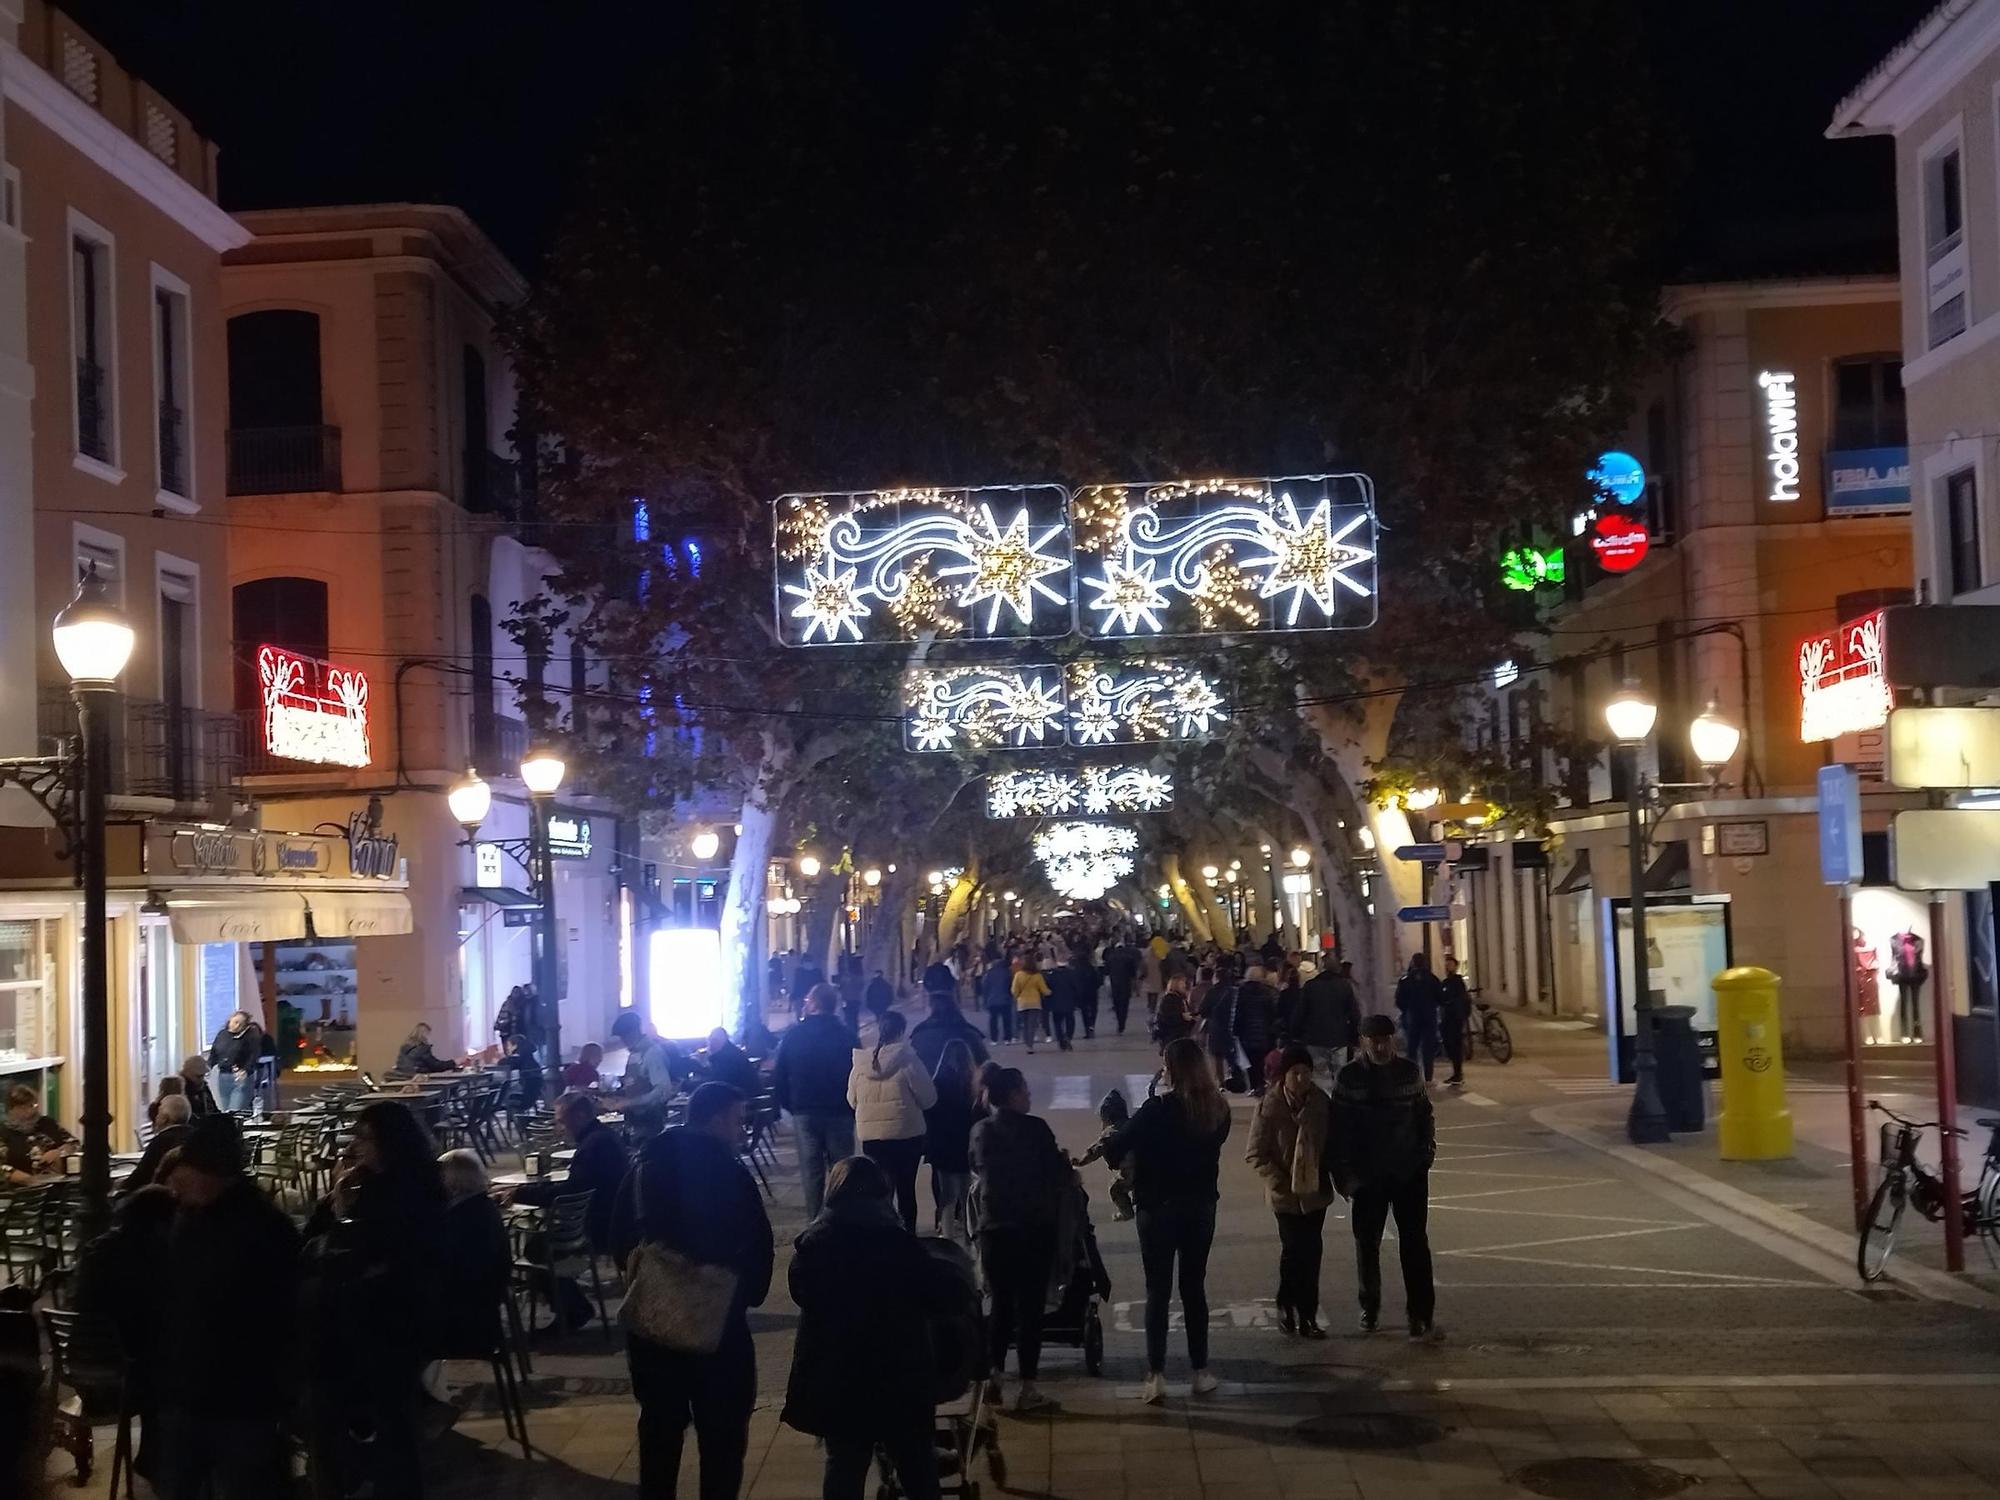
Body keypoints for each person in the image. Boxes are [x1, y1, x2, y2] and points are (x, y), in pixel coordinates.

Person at [612, 1083, 774, 1500]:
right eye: (738, 1120)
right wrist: (743, 1293)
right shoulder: (731, 1173)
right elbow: (757, 1245)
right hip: (718, 1325)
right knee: (722, 1437)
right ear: (717, 1117)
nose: (741, 1131)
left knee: (660, 1430)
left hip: (654, 1322)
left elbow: (614, 1233)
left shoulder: (644, 1164)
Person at [783, 1156, 972, 1500]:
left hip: (838, 1378)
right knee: (916, 1464)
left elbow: (800, 1293)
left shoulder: (813, 1246)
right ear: (883, 1197)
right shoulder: (897, 1246)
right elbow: (947, 1295)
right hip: (898, 1378)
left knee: (843, 1465)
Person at [303, 1101, 446, 1500]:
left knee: (392, 1417)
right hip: (365, 1315)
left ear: (389, 1140)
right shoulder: (366, 1184)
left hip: (394, 1317)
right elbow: (319, 1234)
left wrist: (349, 1219)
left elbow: (380, 1248)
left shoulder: (412, 1189)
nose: (356, 1146)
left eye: (365, 1137)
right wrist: (338, 1200)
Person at [157, 1119, 302, 1499]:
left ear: (210, 1173)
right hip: (193, 1387)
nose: (177, 1185)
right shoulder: (192, 1218)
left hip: (239, 1394)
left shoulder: (256, 1229)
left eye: (184, 1175)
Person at [1102, 1037, 1231, 1403]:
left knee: (1157, 1290)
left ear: (1171, 1068)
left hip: (1157, 1206)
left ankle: (1155, 1375)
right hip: (1201, 1205)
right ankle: (1200, 1371)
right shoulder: (1218, 1109)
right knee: (1194, 1288)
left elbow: (1115, 1148)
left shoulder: (1157, 1109)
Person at [967, 1068, 1070, 1412]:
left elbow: (976, 1168)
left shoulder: (981, 1130)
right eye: (1024, 1090)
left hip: (994, 1228)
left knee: (1000, 1305)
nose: (1029, 1096)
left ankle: (995, 1376)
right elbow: (1056, 1171)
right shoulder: (1036, 1128)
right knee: (1030, 1310)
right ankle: (1027, 1387)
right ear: (1012, 1094)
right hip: (1033, 1227)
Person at [1332, 1015, 1439, 1340]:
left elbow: (1424, 1115)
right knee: (1368, 1245)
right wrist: (1346, 1177)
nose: (1380, 1045)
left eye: (1385, 1039)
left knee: (1415, 1244)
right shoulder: (1350, 1077)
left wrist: (1425, 1155)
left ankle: (1420, 1313)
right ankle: (1370, 1306)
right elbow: (1339, 1130)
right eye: (1374, 1040)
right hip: (1368, 1176)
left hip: (1408, 1172)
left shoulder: (1408, 1072)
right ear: (1363, 1042)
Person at [72, 1184, 177, 1485]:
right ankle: (159, 1461)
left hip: (81, 1375)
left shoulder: (97, 1251)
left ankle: (154, 1458)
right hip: (120, 1384)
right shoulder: (155, 1257)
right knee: (169, 1372)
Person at [1245, 1045, 1334, 1338]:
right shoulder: (1268, 1107)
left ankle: (1308, 1315)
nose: (1301, 1079)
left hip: (1315, 1192)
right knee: (1294, 1250)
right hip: (1284, 1194)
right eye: (1295, 1073)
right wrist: (1278, 1181)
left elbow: (1334, 1145)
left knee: (1313, 1252)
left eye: (1306, 1073)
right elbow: (1256, 1153)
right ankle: (1286, 1306)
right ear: (1284, 1076)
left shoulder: (1321, 1103)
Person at [773, 982, 859, 1221]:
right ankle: (842, 1221)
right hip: (840, 1111)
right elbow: (858, 1073)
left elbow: (779, 1074)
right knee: (842, 1171)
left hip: (805, 1112)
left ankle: (815, 1223)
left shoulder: (794, 1035)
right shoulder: (847, 1036)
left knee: (812, 1173)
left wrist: (790, 1104)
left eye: (808, 1000)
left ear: (813, 1004)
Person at [848, 1011, 936, 1232]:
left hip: (872, 1138)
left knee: (882, 1190)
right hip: (906, 1135)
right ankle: (908, 1236)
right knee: (907, 1189)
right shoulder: (909, 1060)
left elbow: (851, 1100)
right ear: (901, 1031)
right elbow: (928, 1099)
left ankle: (885, 1235)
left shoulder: (861, 1064)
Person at [511, 1092, 629, 1252]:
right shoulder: (605, 1136)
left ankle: (558, 1277)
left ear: (579, 1116)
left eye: (561, 1122)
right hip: (617, 1219)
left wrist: (519, 1194)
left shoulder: (593, 1145)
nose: (558, 1129)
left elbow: (571, 1193)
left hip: (598, 1227)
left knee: (534, 1248)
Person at [433, 1150, 510, 1358]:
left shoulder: (463, 1219)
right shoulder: (483, 1208)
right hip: (485, 1316)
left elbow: (450, 1271)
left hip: (465, 1324)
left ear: (453, 1181)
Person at [925, 1039, 979, 1242]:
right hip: (966, 1144)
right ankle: (969, 1235)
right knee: (967, 1192)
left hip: (943, 1145)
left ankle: (947, 1236)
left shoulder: (937, 1083)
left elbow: (930, 1113)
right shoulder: (971, 1084)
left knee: (947, 1194)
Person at [1290, 959, 1362, 1079]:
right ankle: (1338, 1095)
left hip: (1315, 1039)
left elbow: (1300, 1013)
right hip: (1339, 1037)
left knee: (1320, 1076)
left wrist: (1295, 1033)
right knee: (1340, 1074)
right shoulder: (1344, 986)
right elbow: (1353, 1013)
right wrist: (1355, 1036)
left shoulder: (1310, 986)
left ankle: (1324, 1095)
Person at [611, 1010, 682, 1129]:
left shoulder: (652, 1053)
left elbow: (662, 1090)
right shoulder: (635, 1053)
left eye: (624, 1036)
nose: (623, 1041)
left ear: (633, 1032)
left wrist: (629, 1102)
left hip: (651, 1118)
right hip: (636, 1117)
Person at [1, 1083, 75, 1182]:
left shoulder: (47, 1123)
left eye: (33, 1105)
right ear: (11, 1109)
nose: (30, 1111)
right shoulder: (3, 1132)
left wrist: (59, 1152)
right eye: (23, 1107)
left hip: (58, 1184)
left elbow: (73, 1143)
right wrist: (27, 1179)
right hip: (21, 1190)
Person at [124, 1092, 193, 1192]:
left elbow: (139, 1178)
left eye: (159, 1112)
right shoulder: (194, 1137)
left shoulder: (161, 1141)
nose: (156, 1116)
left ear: (165, 1118)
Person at [911, 988, 992, 1073]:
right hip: (964, 1083)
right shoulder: (970, 1033)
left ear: (931, 1009)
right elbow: (985, 1065)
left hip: (926, 1084)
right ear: (956, 1007)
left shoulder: (919, 1034)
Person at [1395, 952, 1445, 1084]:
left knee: (1412, 1047)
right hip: (1429, 1017)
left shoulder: (1405, 980)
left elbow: (1399, 1000)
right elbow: (1441, 998)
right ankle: (1428, 1077)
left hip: (1412, 1017)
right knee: (1427, 1048)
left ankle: (1412, 1076)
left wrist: (1406, 1009)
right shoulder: (1433, 979)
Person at [1235, 966, 1280, 1095]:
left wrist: (1235, 1031)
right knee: (1263, 1060)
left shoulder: (1241, 992)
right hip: (1265, 1033)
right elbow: (1273, 1013)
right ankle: (1263, 1084)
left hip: (1247, 1033)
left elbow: (1238, 1014)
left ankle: (1255, 1086)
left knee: (1251, 1062)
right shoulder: (1268, 992)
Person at [207, 1009, 263, 1112]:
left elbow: (253, 1056)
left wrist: (245, 1070)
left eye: (241, 1025)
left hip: (239, 1077)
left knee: (235, 1109)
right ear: (230, 1019)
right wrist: (208, 1067)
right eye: (235, 1022)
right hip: (223, 1076)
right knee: (224, 1109)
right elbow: (214, 1053)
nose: (237, 1026)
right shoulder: (222, 1034)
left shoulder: (248, 1037)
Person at [1439, 956, 1473, 1086]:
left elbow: (1458, 999)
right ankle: (1456, 1073)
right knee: (1450, 1044)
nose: (1447, 966)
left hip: (1455, 1018)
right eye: (1446, 964)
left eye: (1450, 964)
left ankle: (1458, 1073)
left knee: (1454, 1045)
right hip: (1448, 1018)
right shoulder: (1446, 982)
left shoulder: (1457, 982)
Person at [701, 1027, 760, 1096]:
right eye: (709, 1040)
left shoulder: (727, 1057)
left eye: (713, 1040)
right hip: (747, 1096)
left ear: (719, 1041)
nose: (709, 1044)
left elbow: (717, 1083)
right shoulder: (732, 1051)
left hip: (743, 1101)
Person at [1011, 954, 1050, 1053]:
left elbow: (1014, 990)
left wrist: (1016, 997)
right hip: (1034, 1002)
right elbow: (1044, 990)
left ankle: (1026, 1043)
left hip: (1022, 1003)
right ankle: (1030, 1045)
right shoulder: (1038, 976)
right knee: (1032, 1025)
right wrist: (1050, 992)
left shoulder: (1018, 975)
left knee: (1025, 1025)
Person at [497, 1031, 545, 1109]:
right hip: (532, 1097)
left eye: (509, 1045)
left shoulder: (518, 1057)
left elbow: (502, 1063)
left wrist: (508, 1056)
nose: (507, 1048)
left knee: (500, 1093)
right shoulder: (530, 1058)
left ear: (515, 1046)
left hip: (523, 1098)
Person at [1104, 937, 1139, 1035]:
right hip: (1126, 984)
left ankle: (1119, 1020)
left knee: (1116, 1003)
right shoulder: (1129, 958)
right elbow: (1133, 973)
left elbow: (1106, 971)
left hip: (1114, 983)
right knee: (1124, 1004)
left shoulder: (1110, 957)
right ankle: (1122, 1024)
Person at [981, 952, 1016, 1044]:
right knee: (1006, 1020)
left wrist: (985, 1000)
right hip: (1005, 999)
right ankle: (1007, 1038)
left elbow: (985, 987)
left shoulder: (989, 974)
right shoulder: (1007, 973)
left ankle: (994, 1039)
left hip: (992, 1000)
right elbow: (1011, 986)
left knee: (993, 1020)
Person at [1153, 973, 1194, 1050]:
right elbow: (1166, 1017)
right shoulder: (1169, 999)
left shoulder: (1180, 998)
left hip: (1178, 1036)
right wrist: (1182, 1016)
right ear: (1175, 985)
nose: (1185, 985)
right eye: (1182, 983)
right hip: (1171, 1037)